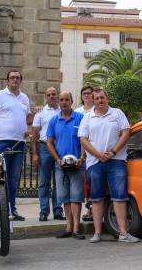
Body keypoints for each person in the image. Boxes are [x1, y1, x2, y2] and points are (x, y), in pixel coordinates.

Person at [78, 87, 139, 243]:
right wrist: (98, 154)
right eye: (96, 98)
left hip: (116, 160)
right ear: (93, 100)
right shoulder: (87, 117)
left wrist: (112, 152)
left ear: (107, 98)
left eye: (102, 97)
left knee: (119, 197)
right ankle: (97, 233)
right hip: (95, 162)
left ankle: (123, 234)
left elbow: (126, 132)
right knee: (97, 198)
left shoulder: (117, 113)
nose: (99, 100)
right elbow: (83, 139)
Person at [0, 70, 32, 221]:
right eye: (12, 78)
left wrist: (32, 120)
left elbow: (26, 118)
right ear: (7, 80)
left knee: (13, 178)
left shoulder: (24, 98)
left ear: (21, 80)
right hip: (3, 141)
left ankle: (11, 210)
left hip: (19, 143)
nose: (15, 80)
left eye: (18, 78)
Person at [46, 91, 86, 239]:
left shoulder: (80, 118)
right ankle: (68, 227)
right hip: (60, 165)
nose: (63, 102)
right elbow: (49, 142)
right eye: (61, 99)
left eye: (66, 100)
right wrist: (57, 159)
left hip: (77, 165)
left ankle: (76, 228)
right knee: (64, 197)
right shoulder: (53, 120)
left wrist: (82, 157)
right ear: (59, 102)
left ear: (72, 101)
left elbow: (84, 139)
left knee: (76, 197)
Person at [31, 87, 63, 221]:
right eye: (48, 94)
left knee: (58, 181)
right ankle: (44, 211)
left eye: (53, 94)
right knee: (44, 181)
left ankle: (57, 211)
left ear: (57, 96)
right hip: (44, 148)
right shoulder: (40, 113)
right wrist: (35, 153)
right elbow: (34, 135)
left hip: (60, 149)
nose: (51, 96)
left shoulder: (64, 111)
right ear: (46, 97)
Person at [75, 85, 95, 221]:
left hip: (95, 152)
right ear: (81, 96)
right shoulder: (77, 112)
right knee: (85, 184)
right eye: (84, 94)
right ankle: (89, 210)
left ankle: (94, 211)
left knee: (94, 183)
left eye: (89, 93)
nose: (87, 96)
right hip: (80, 152)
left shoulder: (97, 110)